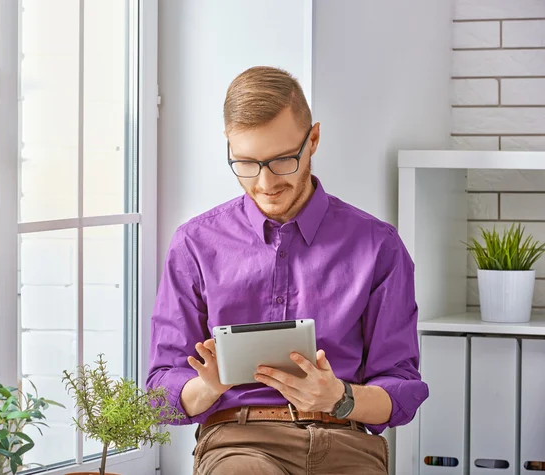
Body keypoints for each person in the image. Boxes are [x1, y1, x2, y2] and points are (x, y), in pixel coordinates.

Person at [146, 66, 429, 475]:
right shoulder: (194, 244)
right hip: (238, 445)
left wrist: (339, 396)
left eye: (282, 161)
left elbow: (401, 387)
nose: (264, 183)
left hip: (345, 440)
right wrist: (208, 386)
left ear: (312, 140)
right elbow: (160, 391)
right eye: (245, 162)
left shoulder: (378, 246)